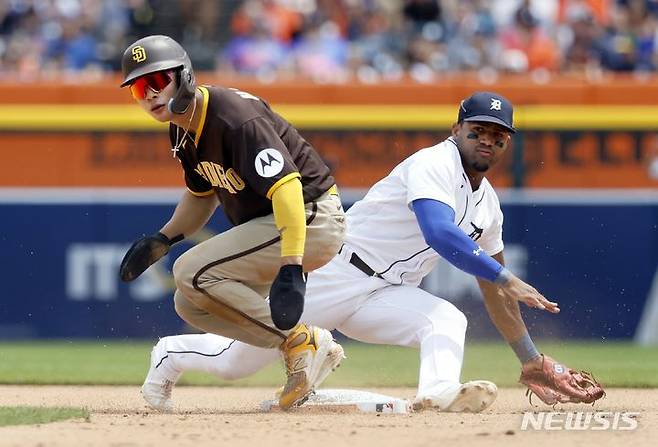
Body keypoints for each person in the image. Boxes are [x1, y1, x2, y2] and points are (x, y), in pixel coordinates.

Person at [140, 91, 604, 413]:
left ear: (507, 143)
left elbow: (491, 289)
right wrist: (507, 277)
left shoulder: (489, 206)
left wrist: (529, 358)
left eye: (498, 134)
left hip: (384, 293)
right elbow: (441, 234)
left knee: (446, 319)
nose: (487, 138)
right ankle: (170, 353)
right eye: (478, 128)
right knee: (234, 364)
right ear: (456, 128)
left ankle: (438, 393)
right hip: (337, 270)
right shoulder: (433, 163)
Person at [118, 35, 346, 411]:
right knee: (190, 302)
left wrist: (291, 264)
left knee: (190, 271)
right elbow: (201, 194)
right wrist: (165, 237)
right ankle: (299, 351)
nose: (148, 95)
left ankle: (301, 340)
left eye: (156, 82)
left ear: (185, 76)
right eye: (138, 89)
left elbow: (288, 189)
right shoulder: (181, 127)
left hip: (310, 216)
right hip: (277, 223)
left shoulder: (234, 117)